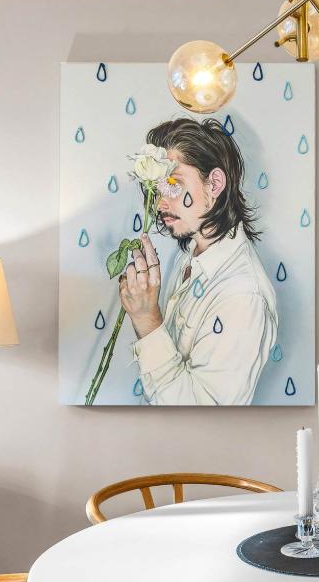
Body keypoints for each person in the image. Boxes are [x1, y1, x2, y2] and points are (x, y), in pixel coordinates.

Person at [117, 116, 278, 405]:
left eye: (173, 184)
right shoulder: (195, 253)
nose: (160, 204)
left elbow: (202, 413)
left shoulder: (242, 296)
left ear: (214, 184)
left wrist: (147, 320)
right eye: (156, 188)